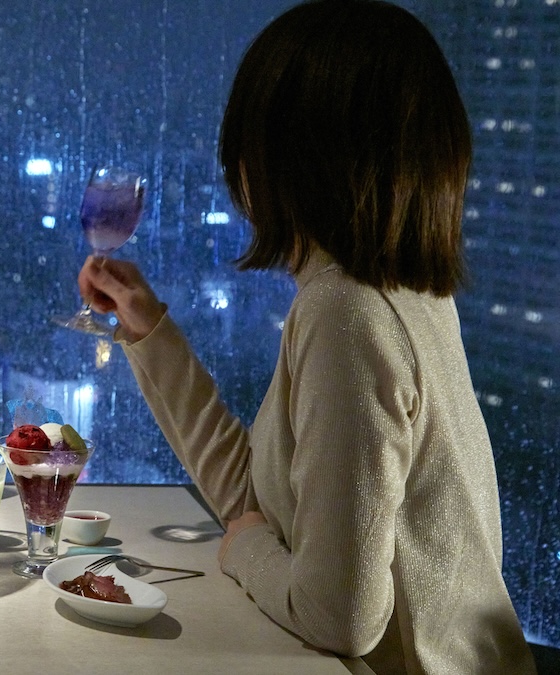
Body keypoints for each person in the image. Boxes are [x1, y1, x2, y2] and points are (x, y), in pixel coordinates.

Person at [77, 1, 536, 673]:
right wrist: (149, 330)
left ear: (291, 155)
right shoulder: (405, 295)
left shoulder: (346, 311)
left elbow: (338, 615)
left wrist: (244, 551)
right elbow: (259, 505)